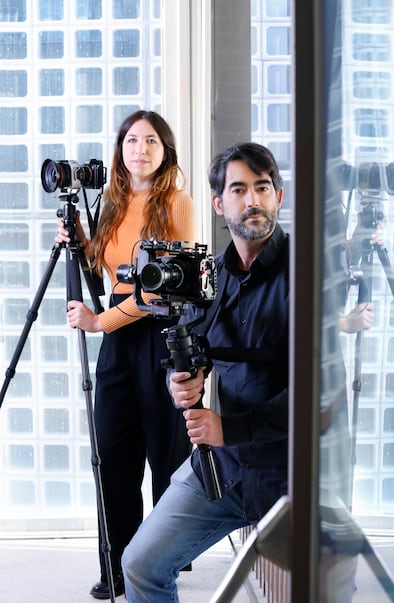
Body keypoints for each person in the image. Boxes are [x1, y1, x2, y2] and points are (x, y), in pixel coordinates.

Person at [121, 141, 290, 602]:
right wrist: (183, 379)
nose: (251, 200)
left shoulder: (307, 276)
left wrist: (227, 427)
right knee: (139, 564)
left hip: (289, 476)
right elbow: (187, 353)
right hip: (222, 466)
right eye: (238, 189)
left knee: (284, 593)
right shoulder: (207, 277)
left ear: (279, 194)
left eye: (261, 187)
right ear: (220, 204)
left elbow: (317, 395)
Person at [55, 110, 194, 599]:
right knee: (113, 457)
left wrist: (100, 322)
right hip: (118, 345)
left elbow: (159, 291)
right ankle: (115, 569)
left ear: (165, 151)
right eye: (131, 140)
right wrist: (79, 243)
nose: (140, 149)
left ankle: (158, 568)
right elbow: (109, 269)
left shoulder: (177, 204)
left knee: (165, 456)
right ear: (121, 150)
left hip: (160, 334)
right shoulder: (112, 203)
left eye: (150, 140)